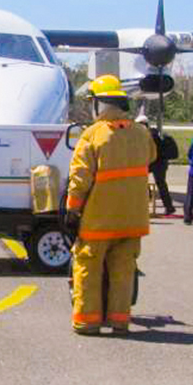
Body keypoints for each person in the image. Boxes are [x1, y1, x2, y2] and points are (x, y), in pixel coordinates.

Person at [65, 75, 154, 335]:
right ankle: (119, 320)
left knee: (88, 269)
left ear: (100, 105)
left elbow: (79, 178)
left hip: (98, 220)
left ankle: (87, 322)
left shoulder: (93, 136)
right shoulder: (141, 133)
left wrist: (73, 209)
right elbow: (152, 156)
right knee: (123, 272)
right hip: (133, 220)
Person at [137, 117, 176, 215]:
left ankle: (146, 202)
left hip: (152, 162)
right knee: (161, 184)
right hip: (161, 163)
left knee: (142, 181)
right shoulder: (156, 133)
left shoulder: (146, 135)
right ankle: (169, 206)